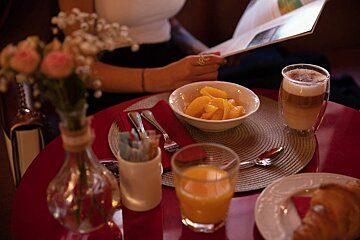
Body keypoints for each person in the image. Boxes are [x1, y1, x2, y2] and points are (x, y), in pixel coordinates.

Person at [58, 0, 227, 115]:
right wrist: (161, 78)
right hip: (115, 77)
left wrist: (204, 49)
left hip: (170, 58)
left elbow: (165, 18)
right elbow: (82, 67)